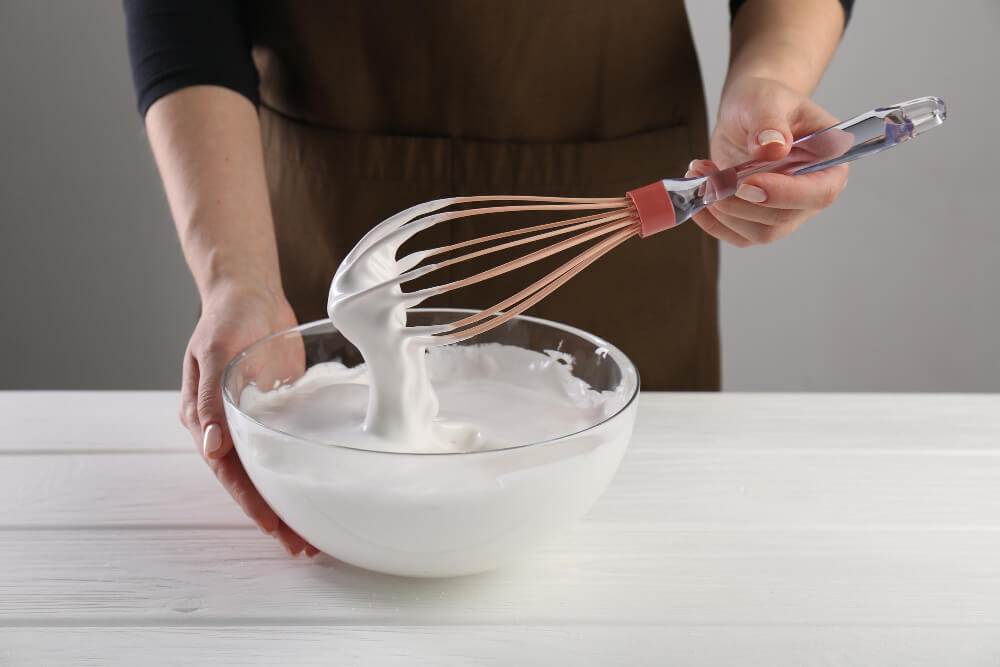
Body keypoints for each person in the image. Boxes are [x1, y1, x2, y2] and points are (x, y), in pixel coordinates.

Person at [125, 0, 854, 556]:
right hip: (318, 203)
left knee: (640, 552)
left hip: (617, 209)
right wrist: (238, 280)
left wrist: (770, 79)